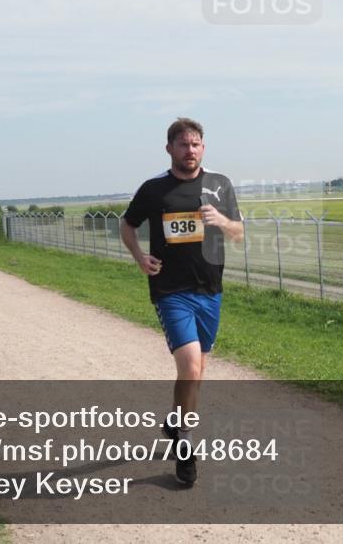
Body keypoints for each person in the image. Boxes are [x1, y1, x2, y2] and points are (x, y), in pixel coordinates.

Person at [119, 118, 243, 487]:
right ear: (169, 148)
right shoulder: (154, 189)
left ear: (203, 147)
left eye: (196, 144)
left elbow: (239, 232)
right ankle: (186, 449)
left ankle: (175, 423)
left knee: (196, 373)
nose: (190, 150)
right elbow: (127, 225)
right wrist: (140, 257)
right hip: (171, 291)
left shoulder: (220, 185)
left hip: (210, 291)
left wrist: (221, 219)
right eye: (183, 144)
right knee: (190, 368)